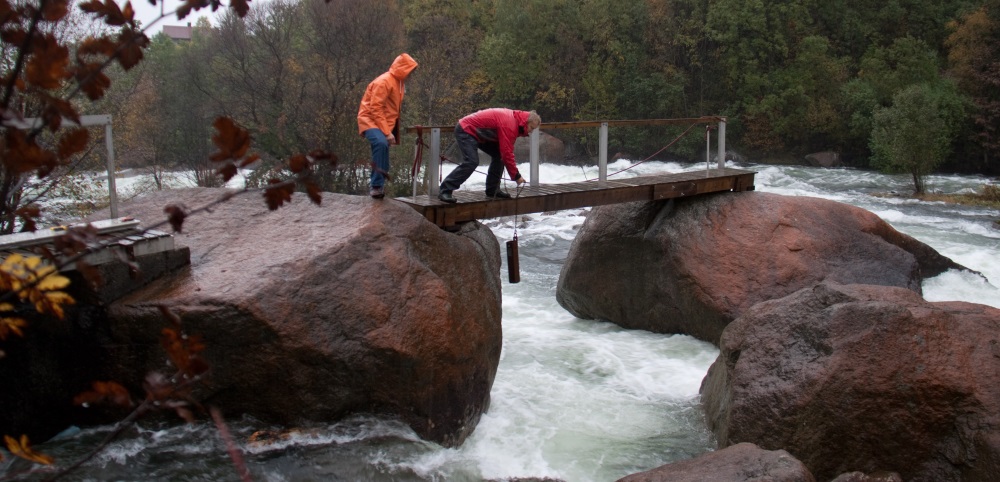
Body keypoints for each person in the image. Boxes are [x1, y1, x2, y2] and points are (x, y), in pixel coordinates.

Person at [438, 108, 541, 203]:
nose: (531, 131)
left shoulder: (516, 120)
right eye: (531, 128)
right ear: (526, 122)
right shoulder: (510, 125)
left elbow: (504, 153)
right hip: (466, 129)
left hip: (479, 133)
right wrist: (516, 176)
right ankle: (445, 190)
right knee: (471, 162)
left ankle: (492, 190)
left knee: (499, 156)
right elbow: (507, 153)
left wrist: (514, 174)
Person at [357, 53, 418, 199]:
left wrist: (390, 130)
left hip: (382, 122)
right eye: (410, 71)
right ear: (403, 69)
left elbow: (391, 109)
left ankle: (379, 185)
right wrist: (387, 132)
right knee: (380, 143)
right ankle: (376, 186)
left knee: (383, 147)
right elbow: (375, 108)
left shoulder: (399, 82)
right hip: (369, 119)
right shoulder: (384, 81)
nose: (411, 74)